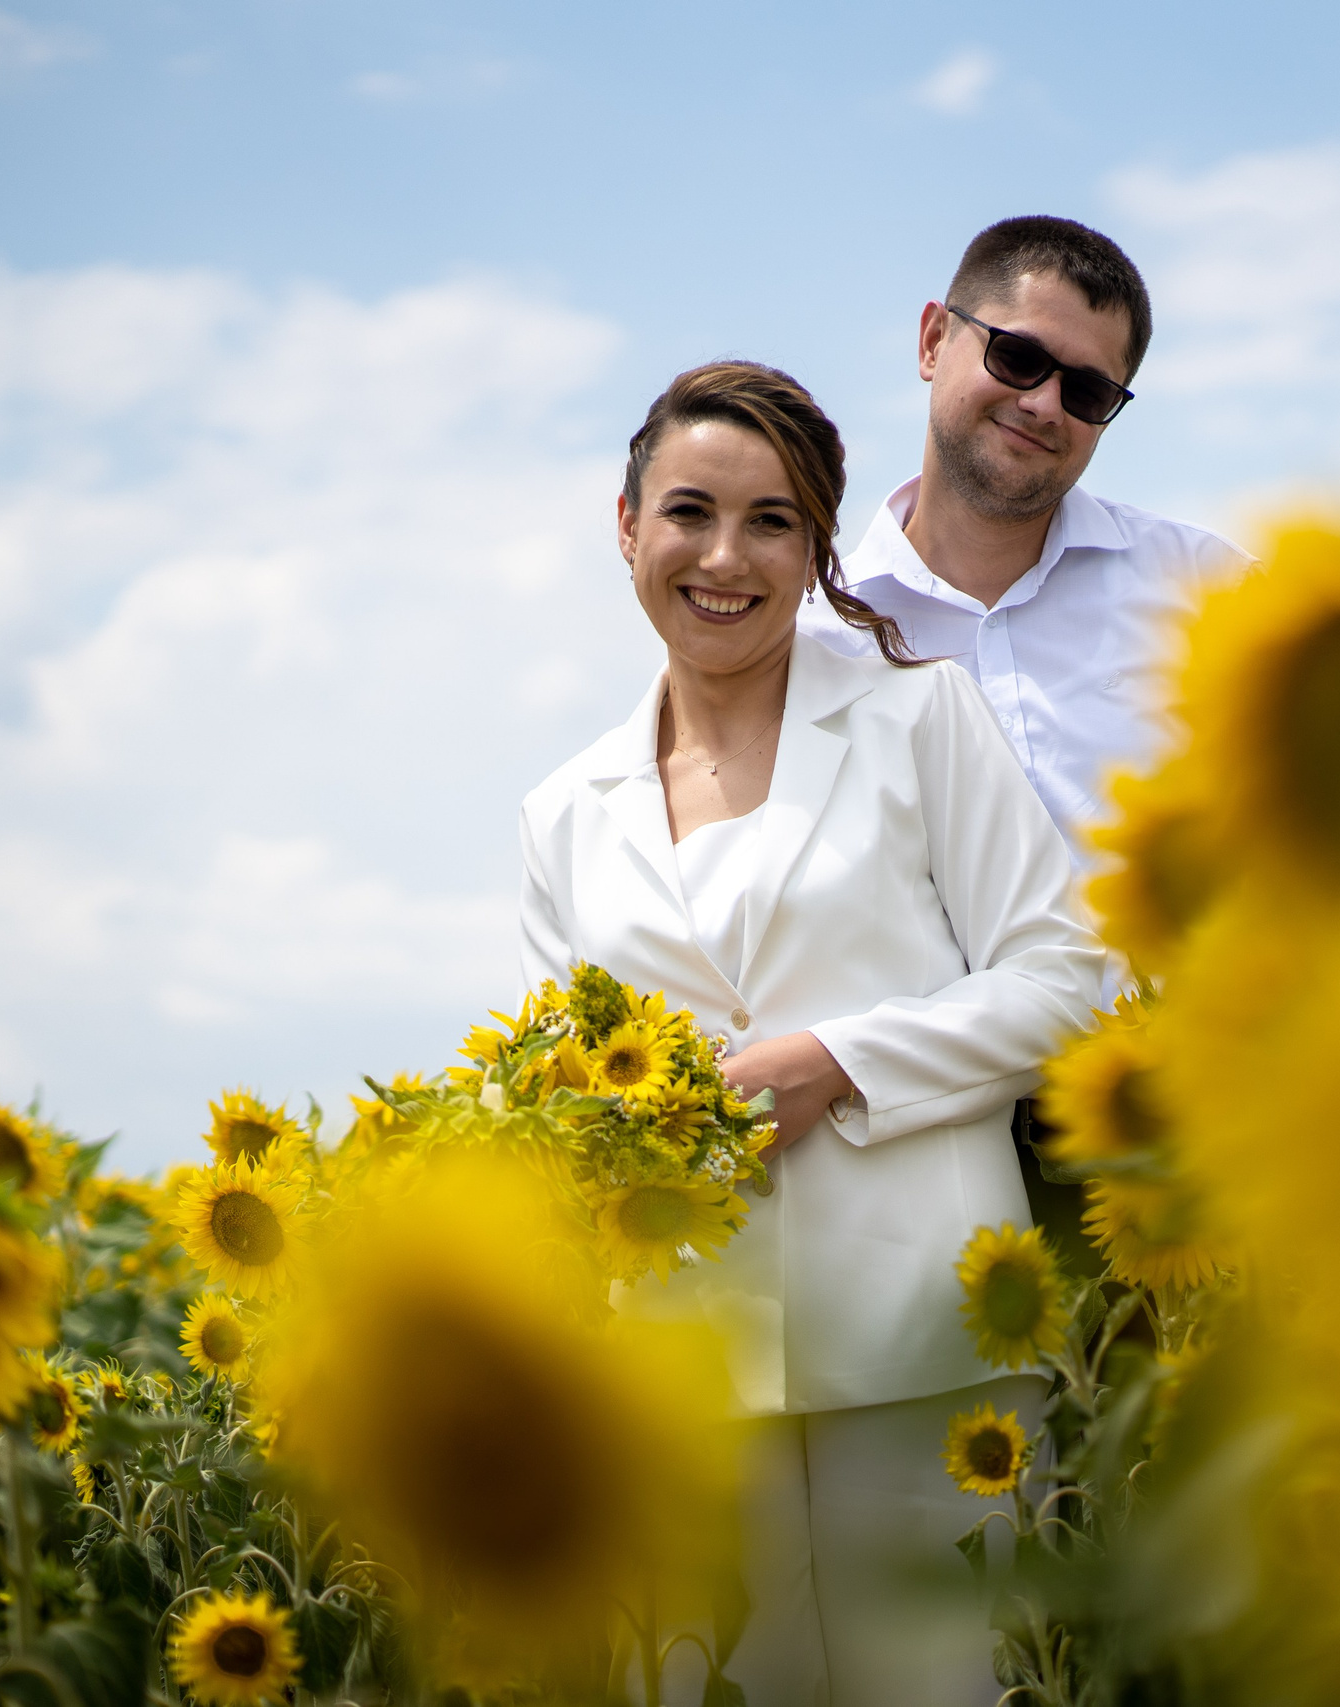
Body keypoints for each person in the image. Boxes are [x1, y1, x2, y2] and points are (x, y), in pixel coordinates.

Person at [519, 360, 1106, 1706]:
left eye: (774, 520)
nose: (726, 556)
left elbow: (1066, 974)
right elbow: (558, 1099)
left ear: (817, 546)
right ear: (625, 527)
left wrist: (833, 1061)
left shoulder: (919, 717)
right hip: (684, 1371)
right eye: (689, 511)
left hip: (922, 1343)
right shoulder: (562, 812)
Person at [800, 214, 1249, 1257]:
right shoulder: (811, 639)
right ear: (930, 340)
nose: (1044, 403)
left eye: (1087, 392)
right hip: (913, 1161)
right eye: (1017, 356)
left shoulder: (1204, 593)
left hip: (1178, 1154)